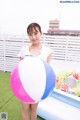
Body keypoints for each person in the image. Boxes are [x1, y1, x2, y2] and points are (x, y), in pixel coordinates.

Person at [18, 22, 52, 120]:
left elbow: (47, 71)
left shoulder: (47, 51)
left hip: (38, 86)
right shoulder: (24, 50)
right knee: (24, 108)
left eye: (35, 33)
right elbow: (20, 69)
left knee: (34, 109)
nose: (33, 36)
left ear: (41, 33)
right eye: (30, 34)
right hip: (24, 85)